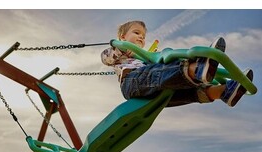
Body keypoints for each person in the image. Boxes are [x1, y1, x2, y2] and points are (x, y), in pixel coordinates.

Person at [101, 20, 253, 107]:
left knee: (179, 92)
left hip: (151, 92)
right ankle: (196, 69)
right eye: (136, 33)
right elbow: (105, 58)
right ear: (122, 37)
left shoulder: (145, 56)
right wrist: (120, 49)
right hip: (132, 83)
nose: (141, 37)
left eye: (143, 35)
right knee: (160, 71)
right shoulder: (119, 51)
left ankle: (223, 91)